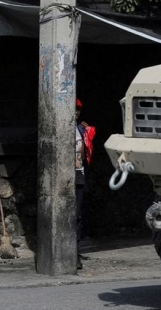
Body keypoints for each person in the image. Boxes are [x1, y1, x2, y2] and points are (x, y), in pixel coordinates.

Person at [75, 98, 96, 270]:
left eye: (78, 109)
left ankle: (76, 252)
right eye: (73, 108)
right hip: (68, 174)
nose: (75, 112)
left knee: (77, 215)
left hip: (78, 173)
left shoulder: (80, 130)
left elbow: (84, 154)